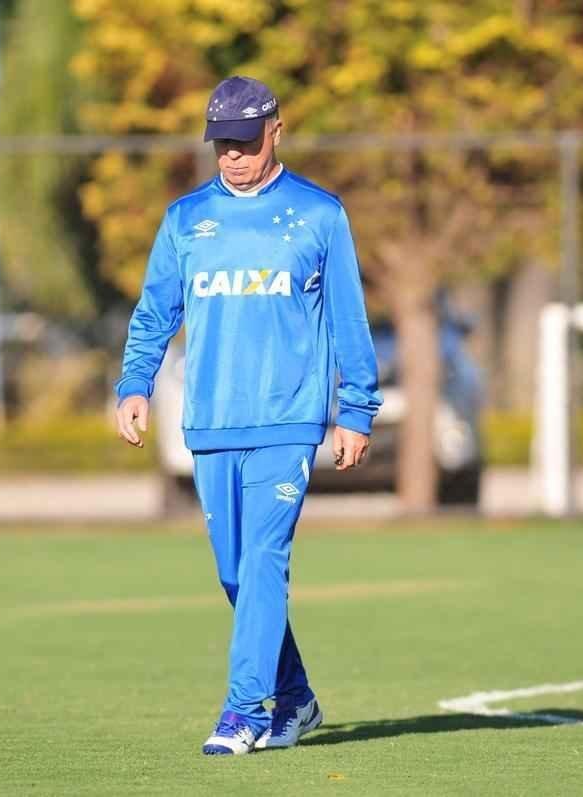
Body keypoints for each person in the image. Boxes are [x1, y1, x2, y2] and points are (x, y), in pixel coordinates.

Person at [113, 75, 382, 756]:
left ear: (276, 132)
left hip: (288, 423)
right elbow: (154, 313)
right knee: (236, 574)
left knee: (265, 559)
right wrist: (134, 383)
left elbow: (350, 322)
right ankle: (296, 696)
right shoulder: (185, 220)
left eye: (244, 140)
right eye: (221, 143)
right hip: (210, 420)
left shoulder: (321, 216)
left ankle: (243, 710)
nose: (232, 154)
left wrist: (356, 410)